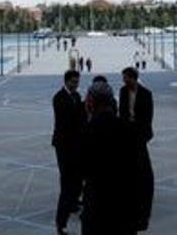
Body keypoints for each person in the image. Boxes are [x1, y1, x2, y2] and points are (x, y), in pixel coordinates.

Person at [81, 81, 137, 235]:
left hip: (97, 207)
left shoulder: (88, 130)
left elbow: (82, 169)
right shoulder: (126, 128)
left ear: (91, 102)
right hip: (123, 206)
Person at [119, 66, 154, 231]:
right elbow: (122, 113)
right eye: (123, 78)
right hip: (127, 133)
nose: (124, 81)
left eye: (126, 78)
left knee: (142, 165)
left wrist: (143, 134)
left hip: (140, 134)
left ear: (133, 78)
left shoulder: (146, 94)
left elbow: (148, 117)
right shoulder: (122, 91)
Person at [52, 70, 86, 235]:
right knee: (67, 178)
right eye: (73, 82)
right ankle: (61, 220)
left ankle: (73, 202)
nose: (76, 85)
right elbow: (68, 120)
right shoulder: (59, 98)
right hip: (64, 145)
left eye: (77, 82)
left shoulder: (76, 96)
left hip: (76, 145)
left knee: (77, 177)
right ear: (66, 81)